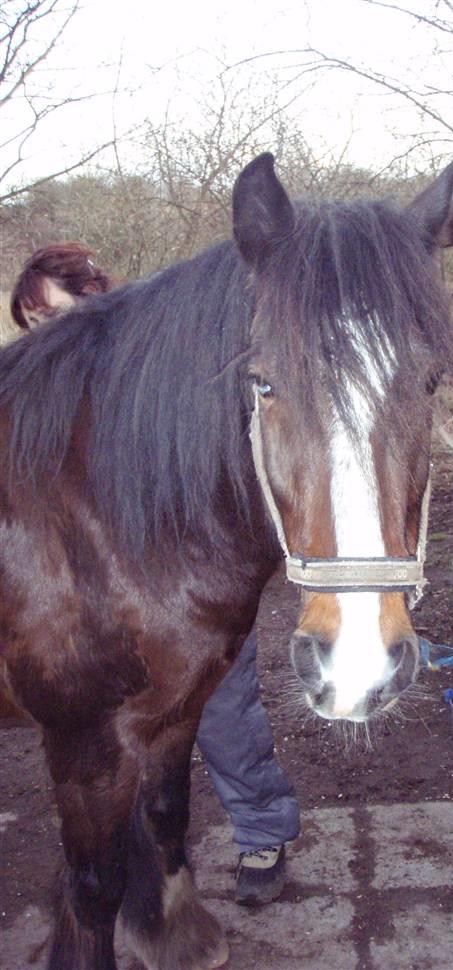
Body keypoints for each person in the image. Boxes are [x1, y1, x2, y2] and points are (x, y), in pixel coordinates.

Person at [10, 242, 300, 906]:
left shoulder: (160, 365)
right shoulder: (51, 399)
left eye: (57, 316)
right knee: (126, 739)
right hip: (118, 601)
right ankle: (158, 866)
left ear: (95, 297)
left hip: (197, 582)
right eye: (33, 327)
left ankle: (262, 831)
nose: (46, 338)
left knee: (225, 717)